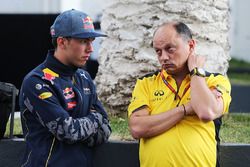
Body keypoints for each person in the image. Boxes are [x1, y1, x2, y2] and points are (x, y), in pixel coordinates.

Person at [128, 22, 231, 167]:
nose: (163, 57)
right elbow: (137, 128)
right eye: (158, 51)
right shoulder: (146, 82)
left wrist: (196, 72)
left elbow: (206, 112)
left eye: (170, 49)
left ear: (191, 46)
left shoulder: (214, 80)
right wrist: (185, 109)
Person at [19, 9, 111, 167]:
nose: (90, 48)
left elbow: (106, 128)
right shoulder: (36, 81)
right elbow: (67, 131)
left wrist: (80, 126)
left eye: (91, 41)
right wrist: (95, 119)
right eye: (83, 41)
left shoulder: (84, 78)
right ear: (61, 42)